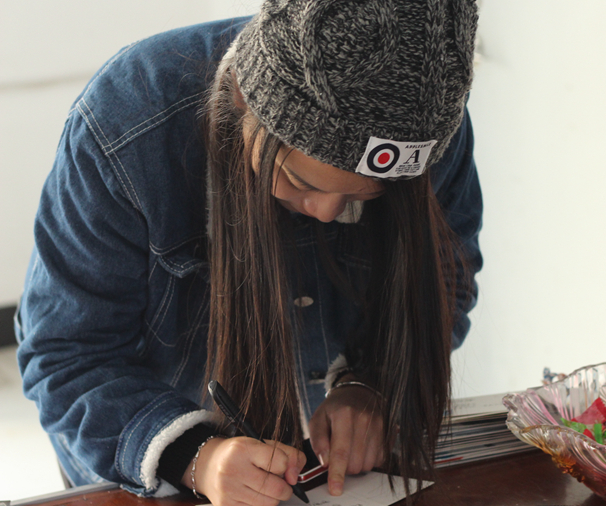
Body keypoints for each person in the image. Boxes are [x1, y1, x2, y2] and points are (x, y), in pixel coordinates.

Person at [14, 1, 481, 505]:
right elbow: (68, 357)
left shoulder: (423, 123)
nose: (326, 212)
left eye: (362, 196)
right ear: (242, 95)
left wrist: (372, 385)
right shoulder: (126, 127)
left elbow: (444, 281)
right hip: (138, 461)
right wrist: (196, 458)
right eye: (300, 180)